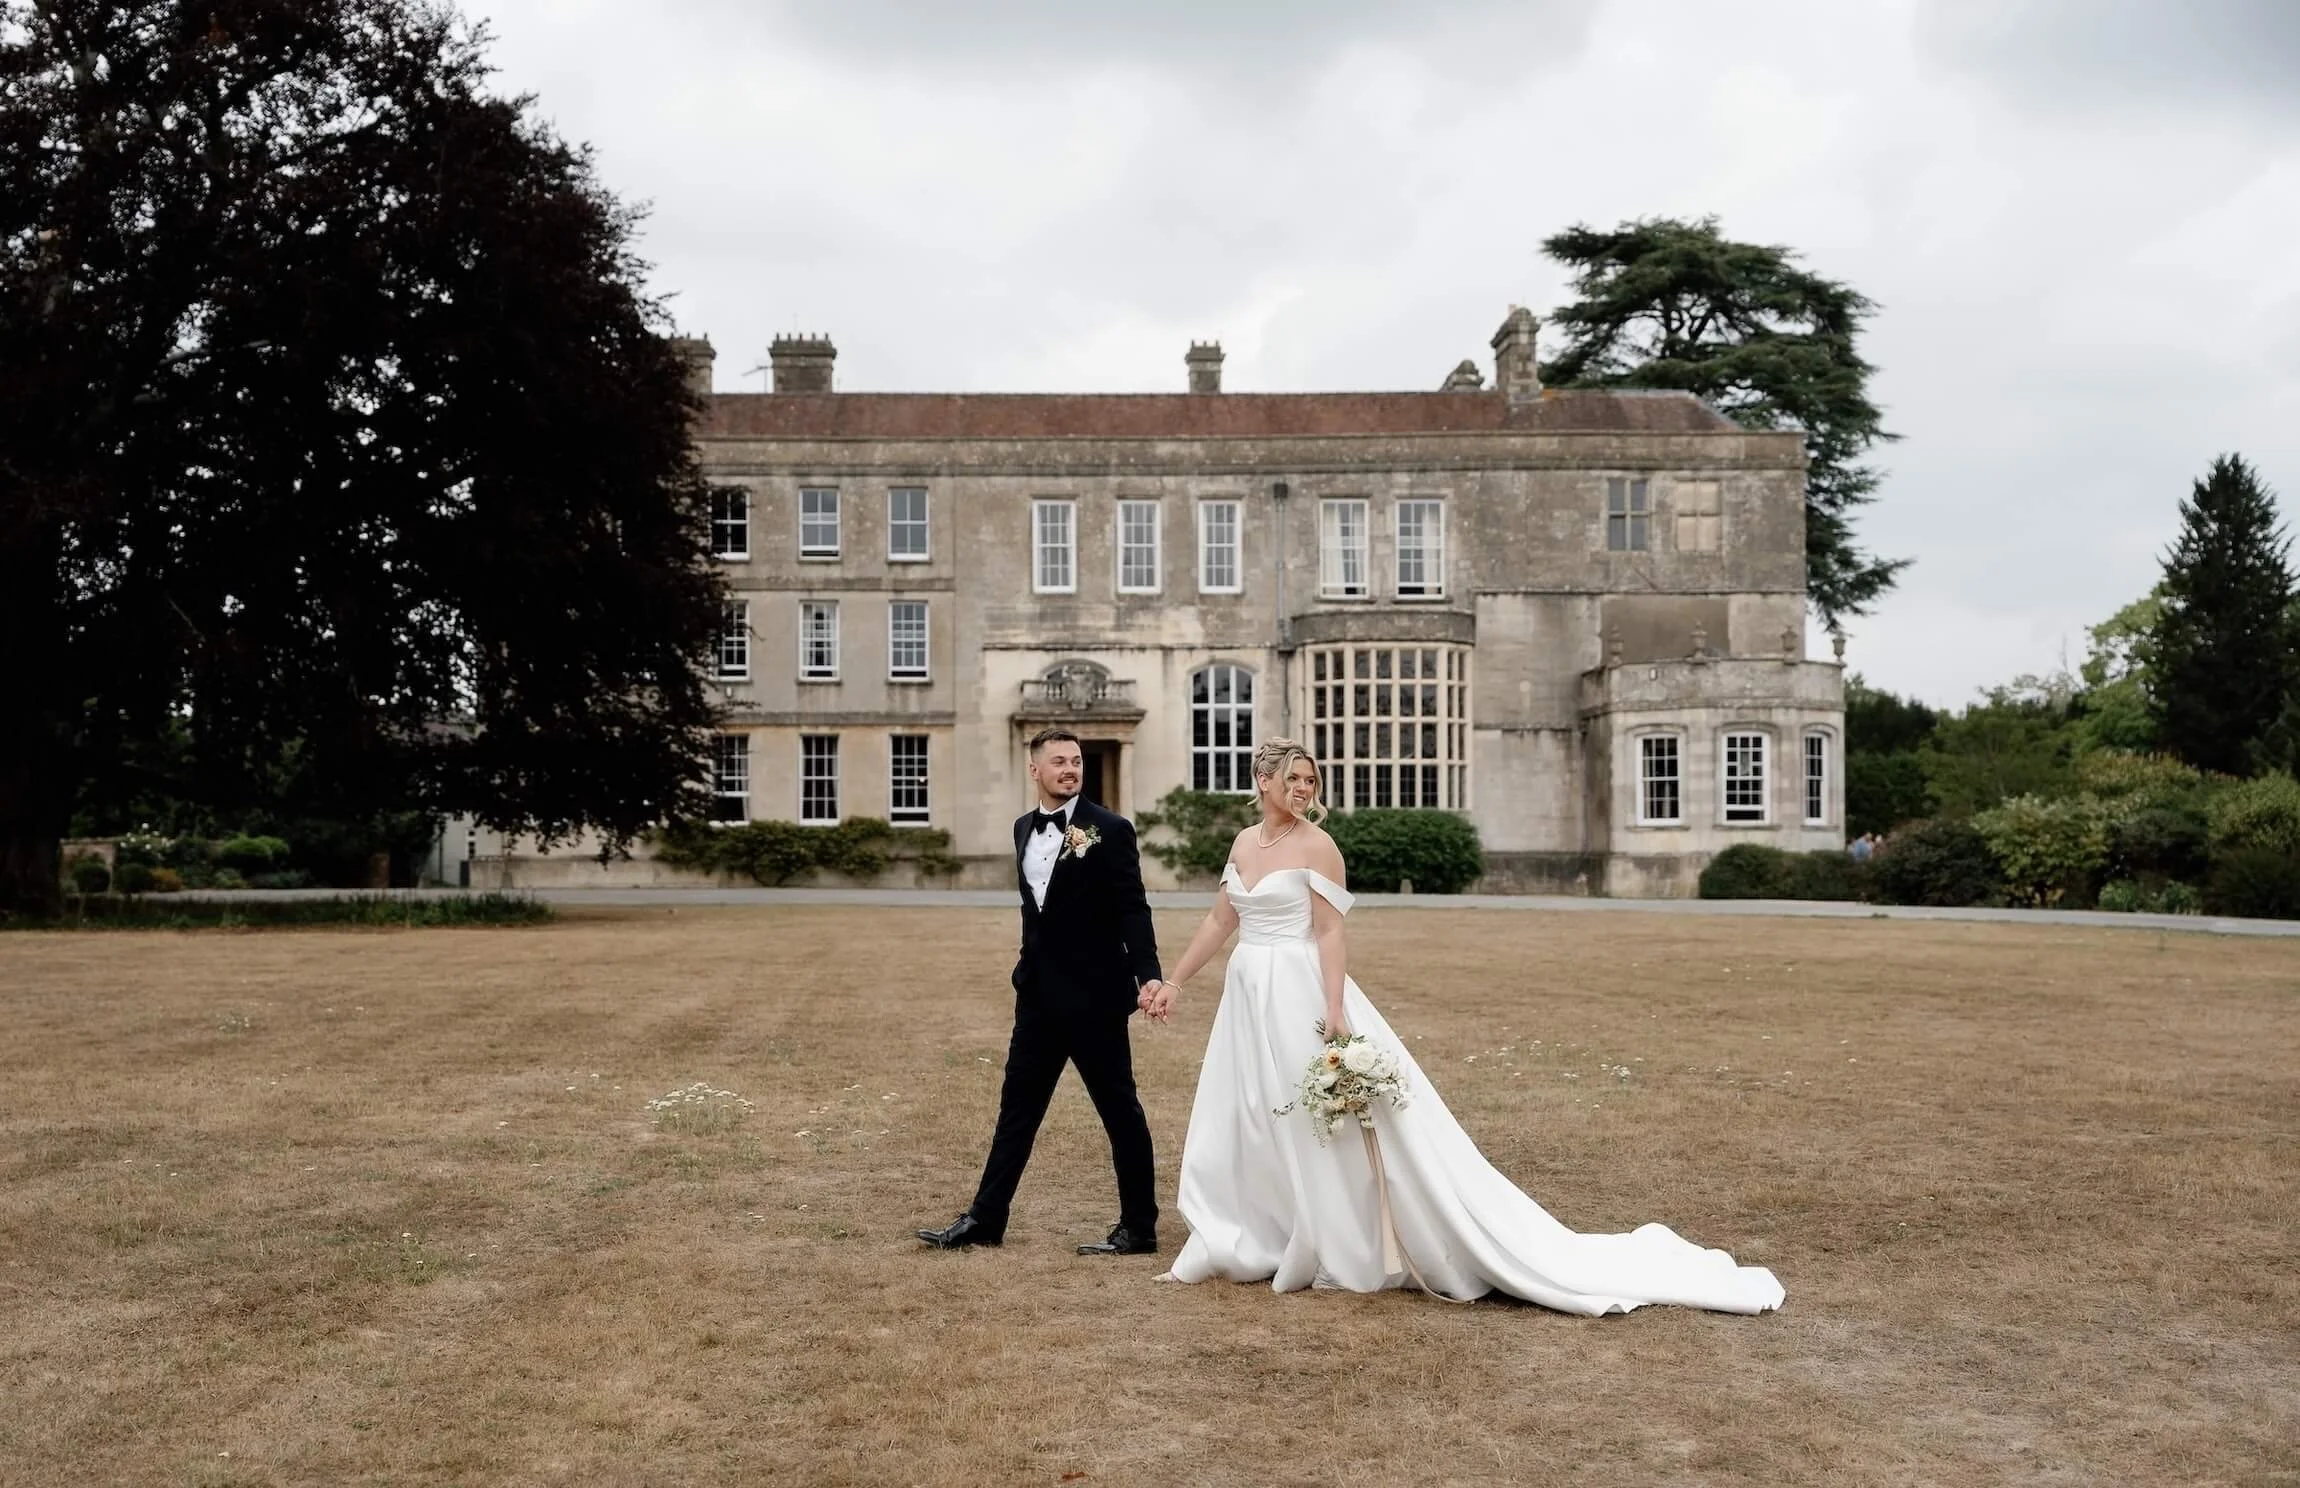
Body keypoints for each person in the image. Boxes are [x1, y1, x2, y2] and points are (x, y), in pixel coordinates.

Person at [1146, 737, 1785, 1314]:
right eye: (1293, 779)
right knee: (1251, 1111)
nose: (1304, 789)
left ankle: (1336, 1237)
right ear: (1263, 781)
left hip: (1299, 991)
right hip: (1247, 993)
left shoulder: (1319, 846)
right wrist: (1175, 981)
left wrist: (1335, 1010)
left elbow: (1331, 932)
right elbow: (1221, 921)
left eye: (1311, 780)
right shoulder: (1244, 843)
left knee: (1311, 1116)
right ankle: (1255, 1230)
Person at [918, 727, 1169, 1257]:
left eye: (1075, 760)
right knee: (1017, 1111)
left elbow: (1132, 907)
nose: (1070, 769)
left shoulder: (1110, 829)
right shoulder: (1021, 828)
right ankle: (986, 1219)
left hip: (1095, 999)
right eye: (1058, 761)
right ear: (1035, 769)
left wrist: (1148, 974)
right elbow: (1037, 909)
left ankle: (1140, 1228)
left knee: (1120, 1112)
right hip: (1037, 998)